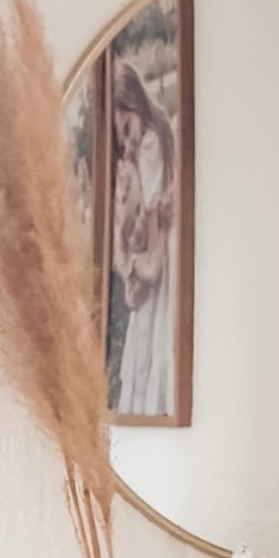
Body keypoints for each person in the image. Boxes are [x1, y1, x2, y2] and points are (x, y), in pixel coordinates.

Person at [111, 58, 177, 415]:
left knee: (149, 352)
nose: (128, 142)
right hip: (167, 258)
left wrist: (134, 270)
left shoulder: (150, 143)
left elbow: (152, 255)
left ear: (135, 105)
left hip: (160, 269)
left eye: (126, 127)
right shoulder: (161, 133)